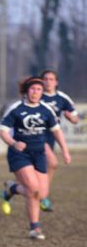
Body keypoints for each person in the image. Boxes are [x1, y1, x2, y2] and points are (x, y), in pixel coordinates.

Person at [0, 77, 71, 240]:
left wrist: (65, 151)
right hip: (19, 154)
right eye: (32, 89)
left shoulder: (46, 109)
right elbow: (3, 131)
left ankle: (12, 189)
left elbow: (57, 131)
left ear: (42, 92)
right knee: (32, 188)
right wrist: (13, 143)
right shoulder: (16, 108)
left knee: (41, 193)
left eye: (39, 90)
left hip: (39, 154)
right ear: (26, 91)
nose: (35, 92)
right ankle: (35, 228)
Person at [39, 70, 79, 212]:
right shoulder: (37, 95)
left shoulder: (62, 98)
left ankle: (11, 189)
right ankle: (43, 197)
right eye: (45, 79)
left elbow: (75, 118)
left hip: (51, 137)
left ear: (56, 82)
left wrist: (71, 118)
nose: (48, 81)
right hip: (36, 136)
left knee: (38, 170)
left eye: (51, 79)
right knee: (52, 163)